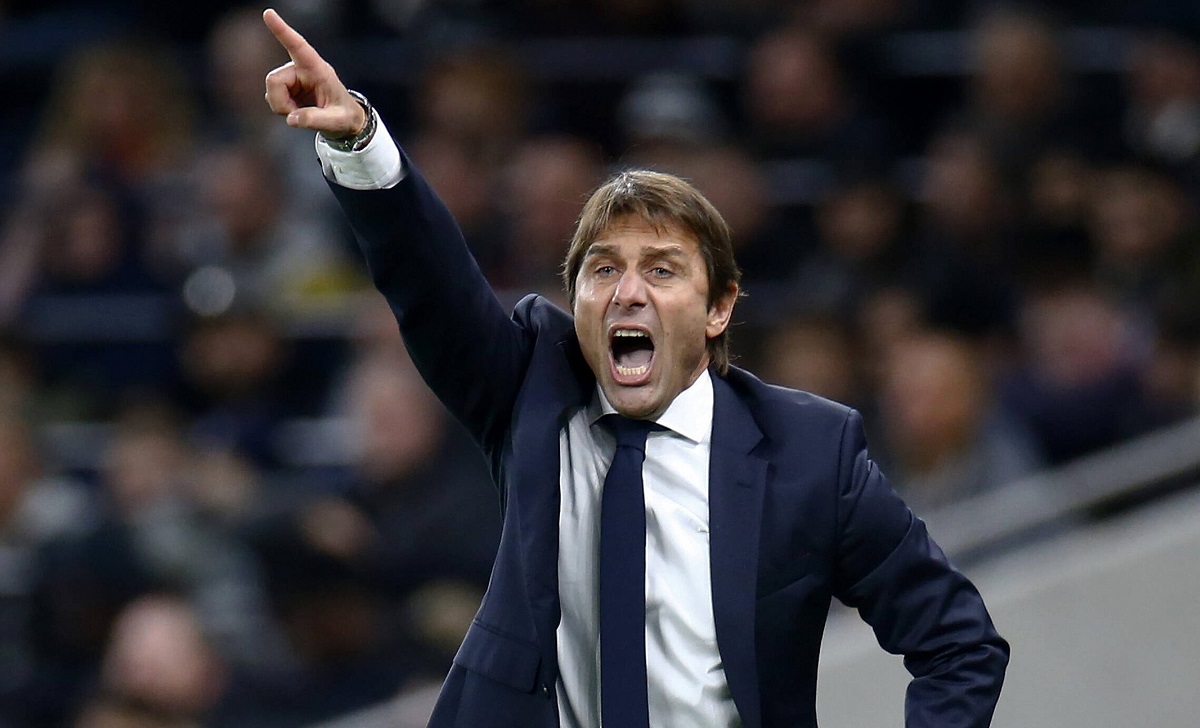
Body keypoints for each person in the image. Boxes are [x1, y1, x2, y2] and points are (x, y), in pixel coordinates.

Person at [261, 9, 1009, 728]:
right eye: (603, 269)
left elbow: (957, 642)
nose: (627, 292)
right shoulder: (529, 388)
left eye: (661, 269)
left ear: (718, 307)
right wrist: (359, 140)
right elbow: (434, 284)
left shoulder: (811, 452)